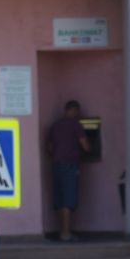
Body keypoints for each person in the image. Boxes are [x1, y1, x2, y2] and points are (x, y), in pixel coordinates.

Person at [46, 99, 88, 242]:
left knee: (60, 199)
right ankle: (66, 233)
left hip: (57, 165)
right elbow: (85, 145)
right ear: (74, 110)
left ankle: (61, 231)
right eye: (78, 112)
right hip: (70, 165)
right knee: (68, 200)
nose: (78, 114)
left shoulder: (55, 126)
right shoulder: (76, 125)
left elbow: (50, 148)